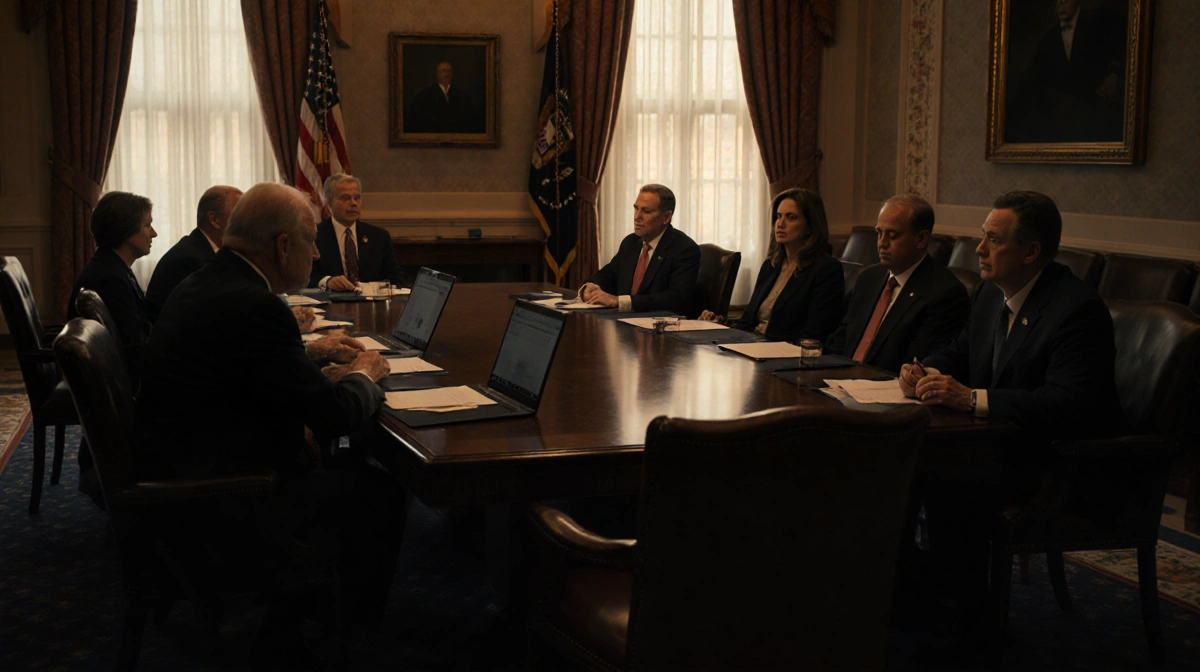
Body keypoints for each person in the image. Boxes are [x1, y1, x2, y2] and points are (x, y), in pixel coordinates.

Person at [138, 182, 405, 646]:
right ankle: (333, 632)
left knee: (347, 461)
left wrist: (314, 358)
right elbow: (334, 418)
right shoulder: (256, 305)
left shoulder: (208, 279)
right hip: (225, 494)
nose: (318, 257)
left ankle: (310, 610)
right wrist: (364, 373)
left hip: (183, 463)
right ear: (283, 246)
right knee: (378, 488)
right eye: (310, 243)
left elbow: (248, 370)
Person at [896, 190, 1120, 648]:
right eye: (982, 237)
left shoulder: (1076, 309)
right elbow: (957, 352)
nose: (979, 249)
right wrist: (926, 370)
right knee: (901, 472)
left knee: (946, 483)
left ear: (1032, 252)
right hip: (994, 449)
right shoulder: (989, 295)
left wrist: (972, 398)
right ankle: (912, 599)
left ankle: (963, 625)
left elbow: (1067, 403)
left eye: (993, 240)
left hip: (1056, 465)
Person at [826, 194, 968, 372]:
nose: (882, 243)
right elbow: (841, 340)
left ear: (922, 239)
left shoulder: (944, 292)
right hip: (840, 384)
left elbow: (915, 365)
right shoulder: (869, 277)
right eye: (879, 233)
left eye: (892, 235)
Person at [699, 188, 843, 343]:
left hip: (784, 355)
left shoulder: (826, 269)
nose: (780, 224)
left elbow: (814, 334)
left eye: (791, 217)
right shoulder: (771, 265)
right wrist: (719, 323)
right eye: (778, 217)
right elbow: (747, 322)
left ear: (810, 226)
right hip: (752, 347)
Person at [67, 190, 157, 386]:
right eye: (147, 225)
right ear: (126, 232)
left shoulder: (113, 266)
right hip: (123, 387)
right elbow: (133, 350)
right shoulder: (110, 279)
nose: (154, 233)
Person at [1006, 0, 1127, 143]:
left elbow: (1120, 52)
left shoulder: (1100, 20)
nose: (1061, 3)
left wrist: (1113, 75)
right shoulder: (1048, 40)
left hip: (1098, 114)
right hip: (1064, 122)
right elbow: (1030, 80)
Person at [580, 184, 701, 316]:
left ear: (666, 217)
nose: (637, 216)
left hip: (660, 328)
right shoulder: (631, 242)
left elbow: (675, 298)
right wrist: (592, 286)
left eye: (646, 211)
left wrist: (619, 301)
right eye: (636, 209)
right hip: (623, 322)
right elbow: (608, 274)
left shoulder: (684, 249)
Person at [143, 185, 242, 323]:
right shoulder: (188, 259)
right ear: (214, 220)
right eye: (238, 215)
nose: (244, 223)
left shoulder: (200, 249)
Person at [309, 173, 406, 291]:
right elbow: (306, 279)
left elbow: (396, 279)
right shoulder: (313, 236)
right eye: (345, 198)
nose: (354, 203)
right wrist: (327, 282)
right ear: (329, 203)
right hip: (331, 305)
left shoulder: (379, 236)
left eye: (357, 198)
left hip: (372, 306)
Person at [405, 60, 484, 134]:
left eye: (449, 71)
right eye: (444, 71)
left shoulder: (462, 95)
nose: (447, 74)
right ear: (437, 74)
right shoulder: (426, 95)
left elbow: (469, 119)